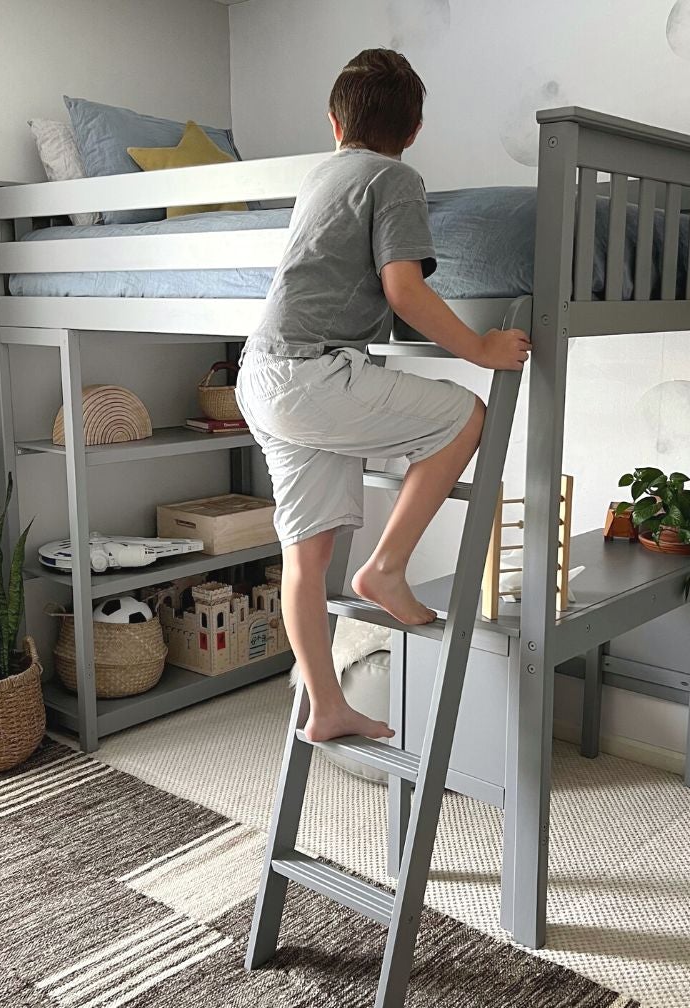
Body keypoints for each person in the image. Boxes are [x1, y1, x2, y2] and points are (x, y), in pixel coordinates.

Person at [234, 48, 530, 744]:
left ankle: (326, 708)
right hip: (311, 373)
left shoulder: (321, 176)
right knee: (468, 417)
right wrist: (483, 349)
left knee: (305, 560)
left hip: (262, 374)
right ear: (415, 129)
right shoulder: (396, 178)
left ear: (334, 122)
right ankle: (387, 569)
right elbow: (404, 288)